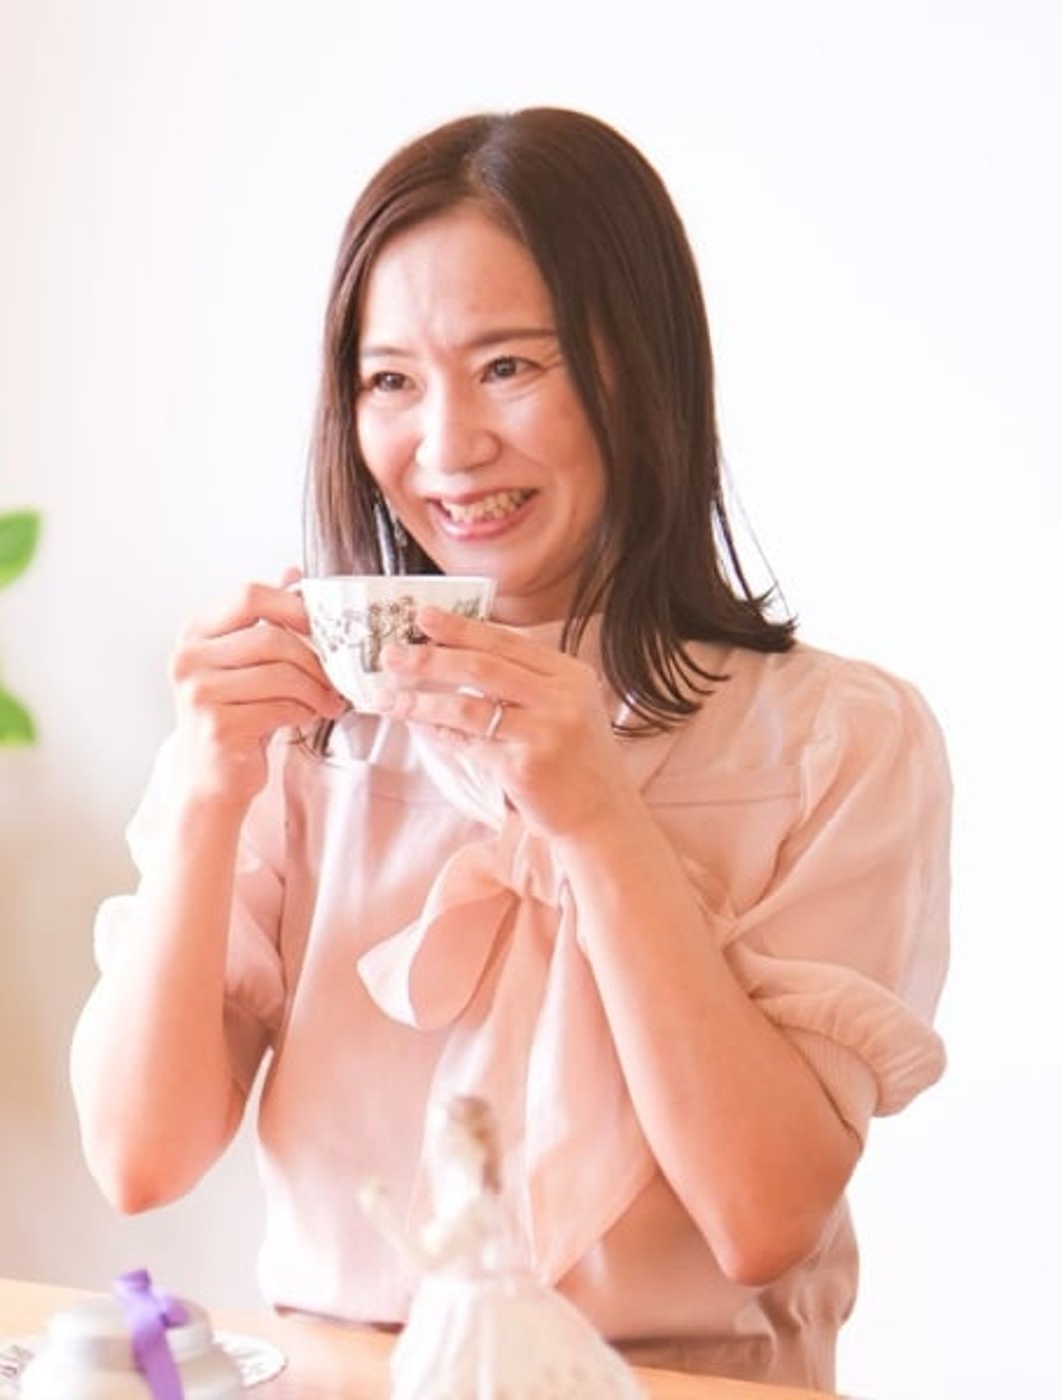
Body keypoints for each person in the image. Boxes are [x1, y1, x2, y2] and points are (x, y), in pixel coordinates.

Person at [70, 106, 950, 1391]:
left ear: (638, 367)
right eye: (389, 381)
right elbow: (137, 1158)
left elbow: (763, 1220)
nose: (446, 447)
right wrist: (208, 792)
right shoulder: (298, 733)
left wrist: (595, 818)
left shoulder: (837, 740)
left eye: (506, 366)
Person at [361, 1093, 644, 1399]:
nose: (440, 1148)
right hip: (461, 1298)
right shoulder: (470, 1199)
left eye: (449, 1140)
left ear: (474, 1147)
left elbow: (427, 1260)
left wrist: (385, 1218)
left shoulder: (473, 1207)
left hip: (470, 1307)